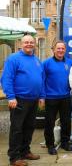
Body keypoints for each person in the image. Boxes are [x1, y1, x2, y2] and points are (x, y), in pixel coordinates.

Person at [1, 35, 44, 166]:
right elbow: (6, 79)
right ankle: (14, 157)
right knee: (17, 129)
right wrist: (11, 97)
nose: (29, 44)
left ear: (34, 44)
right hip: (19, 99)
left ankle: (25, 151)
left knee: (29, 127)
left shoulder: (36, 60)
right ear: (21, 43)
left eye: (31, 42)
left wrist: (42, 96)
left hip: (34, 99)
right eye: (26, 42)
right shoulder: (13, 58)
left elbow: (40, 79)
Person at [41, 41, 72, 155]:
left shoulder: (70, 62)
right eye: (58, 48)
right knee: (49, 123)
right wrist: (42, 97)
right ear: (53, 50)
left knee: (66, 121)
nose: (60, 50)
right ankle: (50, 145)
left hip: (65, 97)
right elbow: (42, 81)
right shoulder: (46, 63)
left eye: (62, 48)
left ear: (65, 50)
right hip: (50, 97)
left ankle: (65, 142)